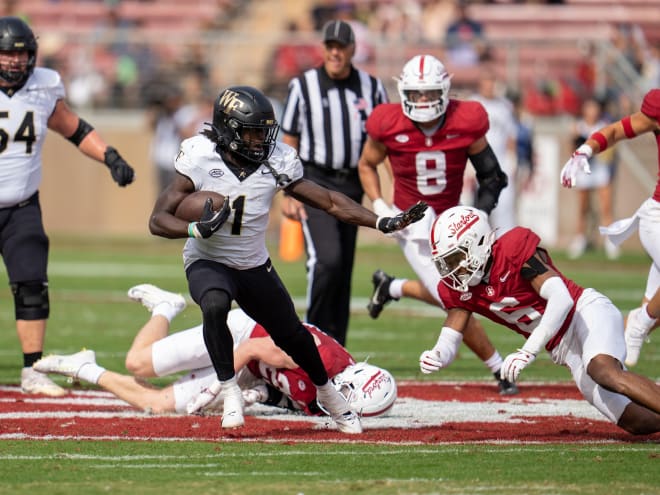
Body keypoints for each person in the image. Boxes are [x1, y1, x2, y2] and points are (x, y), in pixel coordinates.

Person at [147, 85, 425, 433]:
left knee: (292, 335)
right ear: (230, 130)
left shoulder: (276, 160)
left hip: (252, 263)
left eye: (264, 132)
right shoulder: (200, 154)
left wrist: (381, 221)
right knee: (215, 304)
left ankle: (332, 398)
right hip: (208, 259)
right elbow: (158, 219)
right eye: (251, 132)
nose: (260, 140)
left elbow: (329, 201)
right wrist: (194, 231)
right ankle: (230, 392)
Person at [420, 205, 660, 435]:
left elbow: (561, 298)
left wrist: (528, 351)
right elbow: (451, 336)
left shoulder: (513, 248)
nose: (451, 270)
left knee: (602, 371)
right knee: (637, 422)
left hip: (584, 314)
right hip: (563, 349)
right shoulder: (458, 289)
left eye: (455, 259)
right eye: (446, 263)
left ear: (477, 242)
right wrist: (438, 355)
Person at [357, 54, 516, 395]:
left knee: (465, 289)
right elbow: (367, 165)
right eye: (416, 94)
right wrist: (382, 206)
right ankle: (499, 368)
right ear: (404, 93)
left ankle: (392, 287)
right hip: (411, 222)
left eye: (430, 93)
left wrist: (481, 214)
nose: (424, 101)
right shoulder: (388, 122)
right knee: (455, 296)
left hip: (452, 218)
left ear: (444, 90)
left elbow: (493, 176)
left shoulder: (466, 119)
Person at [0, 17, 135, 397]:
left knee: (31, 286)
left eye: (21, 53)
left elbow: (72, 127)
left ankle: (31, 370)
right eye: (7, 53)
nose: (14, 61)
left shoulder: (43, 87)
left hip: (21, 205)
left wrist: (109, 156)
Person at [33, 284, 397, 418]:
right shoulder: (317, 357)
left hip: (250, 367)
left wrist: (256, 393)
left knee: (159, 405)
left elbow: (284, 393)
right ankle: (166, 307)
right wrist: (217, 389)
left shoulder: (326, 402)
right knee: (137, 364)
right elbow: (254, 347)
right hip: (239, 334)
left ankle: (84, 367)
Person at [279, 19, 389, 346]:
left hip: (352, 182)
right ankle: (311, 337)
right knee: (327, 260)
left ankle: (336, 347)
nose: (335, 53)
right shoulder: (304, 86)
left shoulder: (372, 88)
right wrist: (290, 190)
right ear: (323, 48)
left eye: (341, 47)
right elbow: (290, 139)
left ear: (353, 49)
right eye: (330, 46)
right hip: (315, 181)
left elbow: (383, 138)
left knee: (343, 270)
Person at [560, 88, 660, 367]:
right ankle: (639, 323)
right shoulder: (657, 105)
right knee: (645, 319)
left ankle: (598, 352)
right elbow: (616, 131)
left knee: (650, 315)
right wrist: (585, 149)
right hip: (658, 218)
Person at [565, 97, 619, 260]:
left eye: (594, 108)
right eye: (589, 108)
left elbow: (610, 151)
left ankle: (610, 242)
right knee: (583, 208)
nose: (592, 112)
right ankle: (580, 239)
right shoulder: (578, 126)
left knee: (606, 207)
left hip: (600, 169)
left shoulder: (603, 126)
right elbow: (572, 150)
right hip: (584, 171)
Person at [470, 66, 518, 236]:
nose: (489, 85)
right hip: (477, 163)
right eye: (486, 81)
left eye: (492, 81)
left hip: (500, 164)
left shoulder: (505, 106)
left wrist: (513, 161)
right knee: (474, 214)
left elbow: (511, 136)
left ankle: (507, 253)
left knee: (504, 211)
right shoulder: (472, 104)